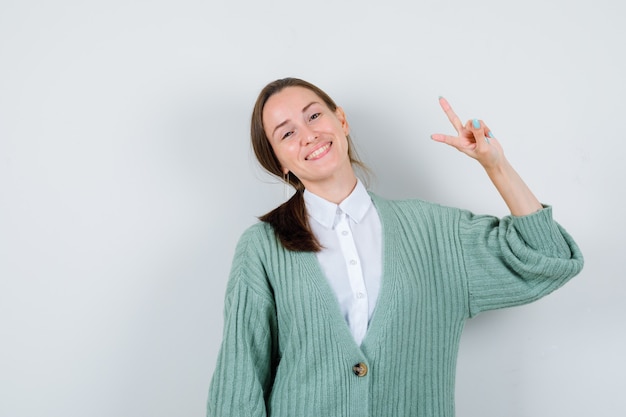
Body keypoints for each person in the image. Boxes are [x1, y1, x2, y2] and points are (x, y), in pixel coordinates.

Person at [206, 77, 584, 417]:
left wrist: (496, 166)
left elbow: (549, 258)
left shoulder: (435, 232)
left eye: (314, 116)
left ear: (342, 121)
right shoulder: (262, 247)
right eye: (286, 134)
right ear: (279, 163)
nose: (308, 135)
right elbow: (239, 383)